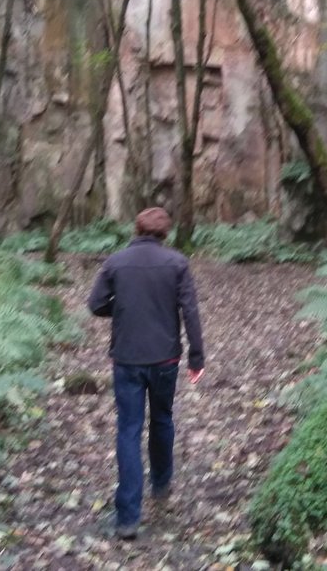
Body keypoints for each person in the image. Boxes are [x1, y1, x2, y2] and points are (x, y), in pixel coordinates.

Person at [87, 206, 205, 540]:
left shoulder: (115, 262)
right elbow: (191, 312)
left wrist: (122, 306)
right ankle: (161, 482)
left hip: (127, 358)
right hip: (165, 358)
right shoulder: (177, 264)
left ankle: (127, 518)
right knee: (163, 419)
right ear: (164, 232)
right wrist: (197, 356)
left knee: (128, 429)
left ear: (137, 229)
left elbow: (95, 304)